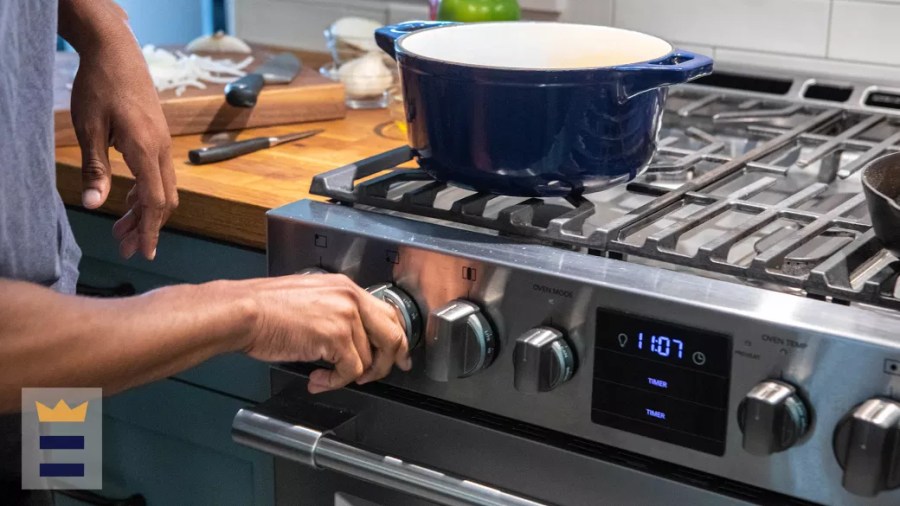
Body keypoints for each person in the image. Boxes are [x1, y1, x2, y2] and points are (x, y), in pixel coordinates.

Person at [0, 0, 409, 502]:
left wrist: (103, 31)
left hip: (52, 342)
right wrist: (249, 313)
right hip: (28, 365)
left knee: (54, 482)